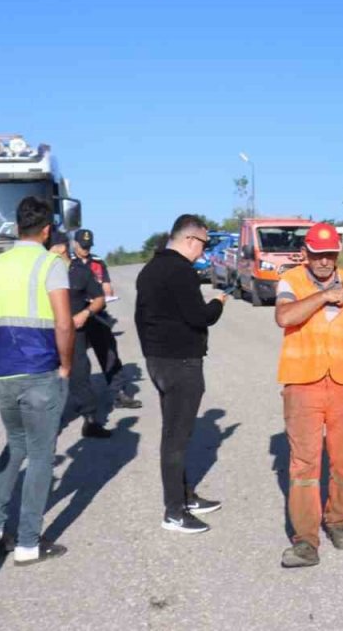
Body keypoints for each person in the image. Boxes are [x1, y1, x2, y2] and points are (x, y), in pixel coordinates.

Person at [0, 196, 74, 565]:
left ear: (16, 228)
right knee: (41, 455)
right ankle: (29, 542)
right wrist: (66, 365)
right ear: (46, 231)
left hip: (3, 373)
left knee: (15, 445)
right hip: (41, 371)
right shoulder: (50, 264)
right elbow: (63, 322)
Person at [273, 223, 343, 568]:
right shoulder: (291, 281)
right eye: (317, 254)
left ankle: (337, 521)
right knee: (305, 464)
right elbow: (284, 316)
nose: (324, 261)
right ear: (305, 253)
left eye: (330, 254)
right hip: (303, 385)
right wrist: (322, 296)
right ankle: (306, 541)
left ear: (337, 253)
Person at [134, 214, 229, 535]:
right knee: (176, 439)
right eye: (203, 244)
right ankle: (174, 511)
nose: (203, 252)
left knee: (176, 434)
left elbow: (141, 319)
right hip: (181, 364)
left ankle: (186, 497)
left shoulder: (150, 269)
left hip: (159, 361)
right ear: (190, 239)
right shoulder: (180, 271)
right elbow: (199, 317)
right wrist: (218, 302)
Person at [50, 230, 113, 438]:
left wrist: (85, 313)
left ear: (61, 248)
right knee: (47, 376)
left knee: (80, 373)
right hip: (48, 331)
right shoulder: (44, 271)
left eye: (49, 247)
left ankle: (91, 420)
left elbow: (99, 298)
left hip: (74, 332)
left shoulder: (80, 271)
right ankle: (50, 421)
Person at [73, 228, 140, 409]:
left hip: (97, 315)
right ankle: (81, 400)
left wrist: (101, 293)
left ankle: (119, 393)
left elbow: (107, 288)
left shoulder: (97, 263)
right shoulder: (67, 263)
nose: (85, 250)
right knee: (78, 362)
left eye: (88, 246)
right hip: (76, 317)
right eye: (82, 246)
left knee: (110, 353)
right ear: (75, 244)